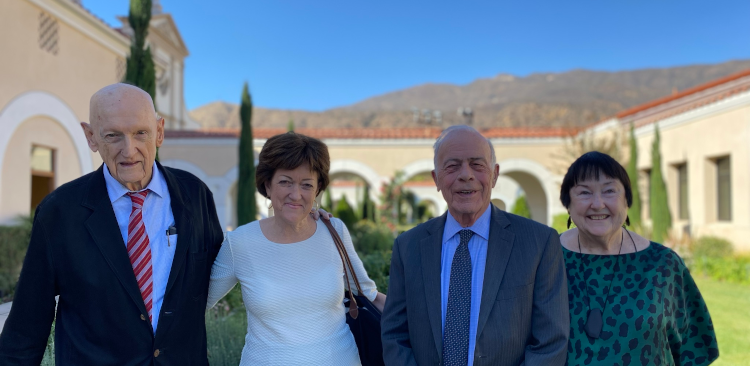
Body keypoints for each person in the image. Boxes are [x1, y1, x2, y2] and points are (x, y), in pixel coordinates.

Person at [0, 83, 225, 365]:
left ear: (159, 131)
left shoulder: (195, 195)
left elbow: (219, 273)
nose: (129, 151)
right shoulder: (59, 211)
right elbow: (27, 324)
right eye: (113, 136)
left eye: (140, 133)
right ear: (91, 137)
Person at [381, 125, 569, 366]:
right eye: (452, 166)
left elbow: (551, 342)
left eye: (477, 164)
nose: (465, 175)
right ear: (436, 179)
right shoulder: (408, 247)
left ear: (494, 174)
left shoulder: (539, 243)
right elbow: (395, 334)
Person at [207, 131, 387, 365]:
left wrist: (432, 319)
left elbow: (368, 294)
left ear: (317, 188)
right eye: (285, 182)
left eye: (306, 184)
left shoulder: (334, 230)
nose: (296, 194)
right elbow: (195, 303)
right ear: (267, 185)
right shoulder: (239, 243)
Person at [559, 151, 719, 365]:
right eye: (584, 193)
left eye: (609, 191)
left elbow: (694, 348)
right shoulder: (546, 259)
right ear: (568, 204)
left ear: (627, 200)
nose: (597, 204)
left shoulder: (663, 264)